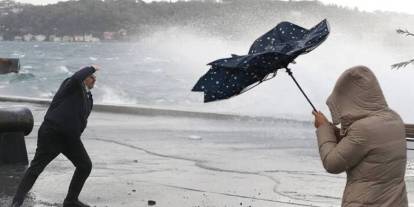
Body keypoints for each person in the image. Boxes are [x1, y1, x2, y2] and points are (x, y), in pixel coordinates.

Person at [312, 65, 408, 206]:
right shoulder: (394, 118)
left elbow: (332, 164)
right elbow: (365, 147)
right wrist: (332, 130)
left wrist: (323, 129)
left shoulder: (363, 129)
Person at [12, 66, 99, 207]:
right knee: (36, 168)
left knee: (85, 166)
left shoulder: (89, 98)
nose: (94, 79)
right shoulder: (71, 85)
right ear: (83, 78)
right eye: (91, 76)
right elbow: (77, 77)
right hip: (52, 133)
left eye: (95, 77)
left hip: (70, 139)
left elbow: (82, 119)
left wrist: (76, 133)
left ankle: (70, 200)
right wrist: (91, 67)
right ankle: (17, 202)